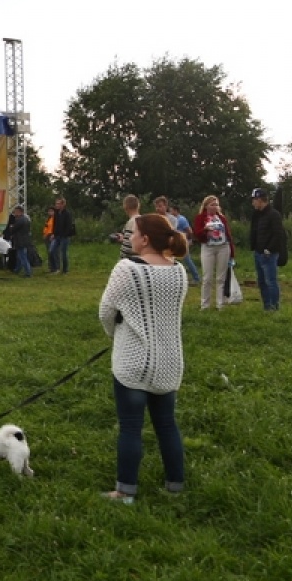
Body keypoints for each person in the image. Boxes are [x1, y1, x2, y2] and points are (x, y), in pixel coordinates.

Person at [98, 213, 190, 503]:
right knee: (167, 425)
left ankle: (125, 491)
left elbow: (105, 312)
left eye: (134, 233)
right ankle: (175, 486)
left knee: (130, 427)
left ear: (145, 239)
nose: (130, 238)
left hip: (132, 362)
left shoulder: (126, 269)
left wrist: (116, 334)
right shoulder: (179, 272)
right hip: (169, 361)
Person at [192, 195, 235, 311]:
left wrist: (232, 253)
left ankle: (220, 304)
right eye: (212, 204)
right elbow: (197, 234)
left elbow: (228, 234)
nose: (215, 207)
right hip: (208, 247)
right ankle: (205, 305)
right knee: (207, 277)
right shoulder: (200, 218)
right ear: (206, 206)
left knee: (221, 277)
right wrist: (205, 230)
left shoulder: (221, 218)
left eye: (216, 204)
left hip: (223, 247)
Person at [249, 188, 285, 312]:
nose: (253, 203)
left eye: (254, 200)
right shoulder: (256, 215)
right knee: (262, 281)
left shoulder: (274, 215)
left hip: (269, 254)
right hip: (258, 252)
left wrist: (269, 249)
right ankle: (266, 306)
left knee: (271, 281)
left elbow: (278, 234)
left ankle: (274, 307)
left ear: (260, 200)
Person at [154, 196, 202, 285]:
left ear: (165, 206)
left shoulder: (173, 219)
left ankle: (195, 278)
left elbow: (172, 232)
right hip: (159, 245)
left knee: (186, 260)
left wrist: (189, 240)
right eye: (156, 206)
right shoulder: (154, 218)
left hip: (175, 244)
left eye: (160, 206)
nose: (158, 208)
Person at [49, 197, 76, 274]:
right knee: (51, 251)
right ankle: (55, 268)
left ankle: (65, 270)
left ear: (63, 204)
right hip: (56, 236)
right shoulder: (56, 213)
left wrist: (65, 235)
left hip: (64, 236)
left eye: (58, 203)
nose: (56, 205)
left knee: (63, 253)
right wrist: (53, 233)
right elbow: (55, 224)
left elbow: (68, 226)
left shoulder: (67, 214)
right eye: (56, 203)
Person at [6, 205, 33, 277]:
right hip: (24, 240)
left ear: (19, 212)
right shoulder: (26, 219)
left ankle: (28, 272)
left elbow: (13, 229)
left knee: (22, 256)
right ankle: (17, 270)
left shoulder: (20, 220)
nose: (14, 213)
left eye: (15, 212)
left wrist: (11, 227)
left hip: (20, 240)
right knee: (19, 256)